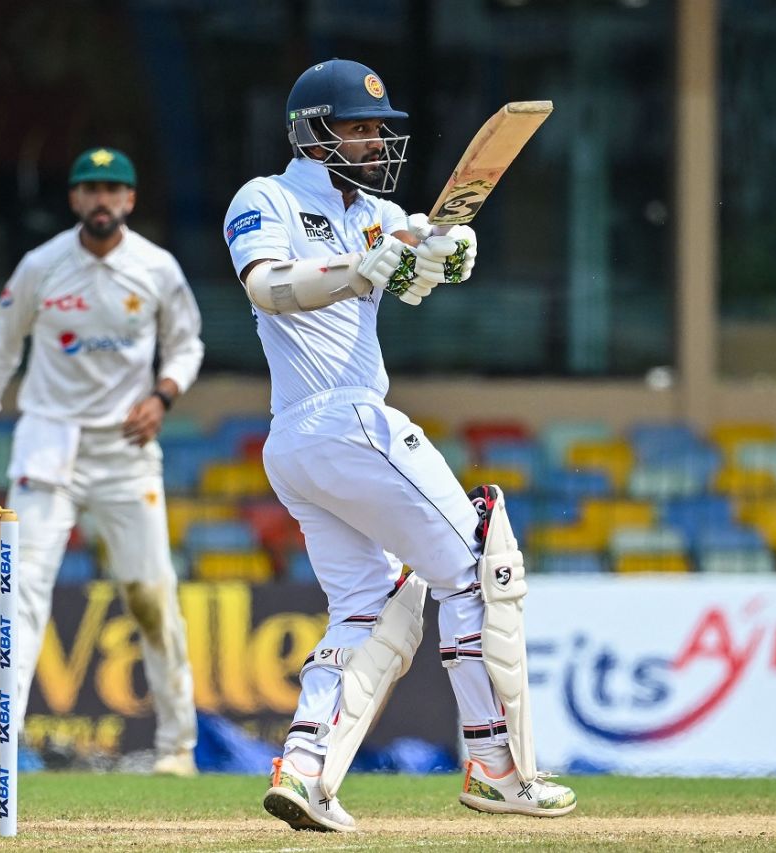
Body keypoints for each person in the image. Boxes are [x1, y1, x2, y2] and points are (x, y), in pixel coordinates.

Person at [222, 59, 575, 831]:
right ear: (314, 132)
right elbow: (267, 286)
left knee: (373, 607)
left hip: (307, 450)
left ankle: (307, 771)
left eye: (382, 128)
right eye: (359, 126)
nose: (377, 139)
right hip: (337, 421)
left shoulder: (377, 212)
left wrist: (447, 253)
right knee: (481, 570)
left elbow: (422, 247)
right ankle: (495, 764)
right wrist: (357, 269)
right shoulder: (267, 197)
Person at [0, 147, 204, 777]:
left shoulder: (156, 268)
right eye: (90, 189)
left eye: (112, 190)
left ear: (130, 200)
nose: (101, 200)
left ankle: (178, 747)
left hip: (125, 451)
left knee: (152, 597)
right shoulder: (42, 266)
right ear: (73, 200)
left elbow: (187, 344)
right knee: (23, 584)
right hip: (49, 441)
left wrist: (162, 396)